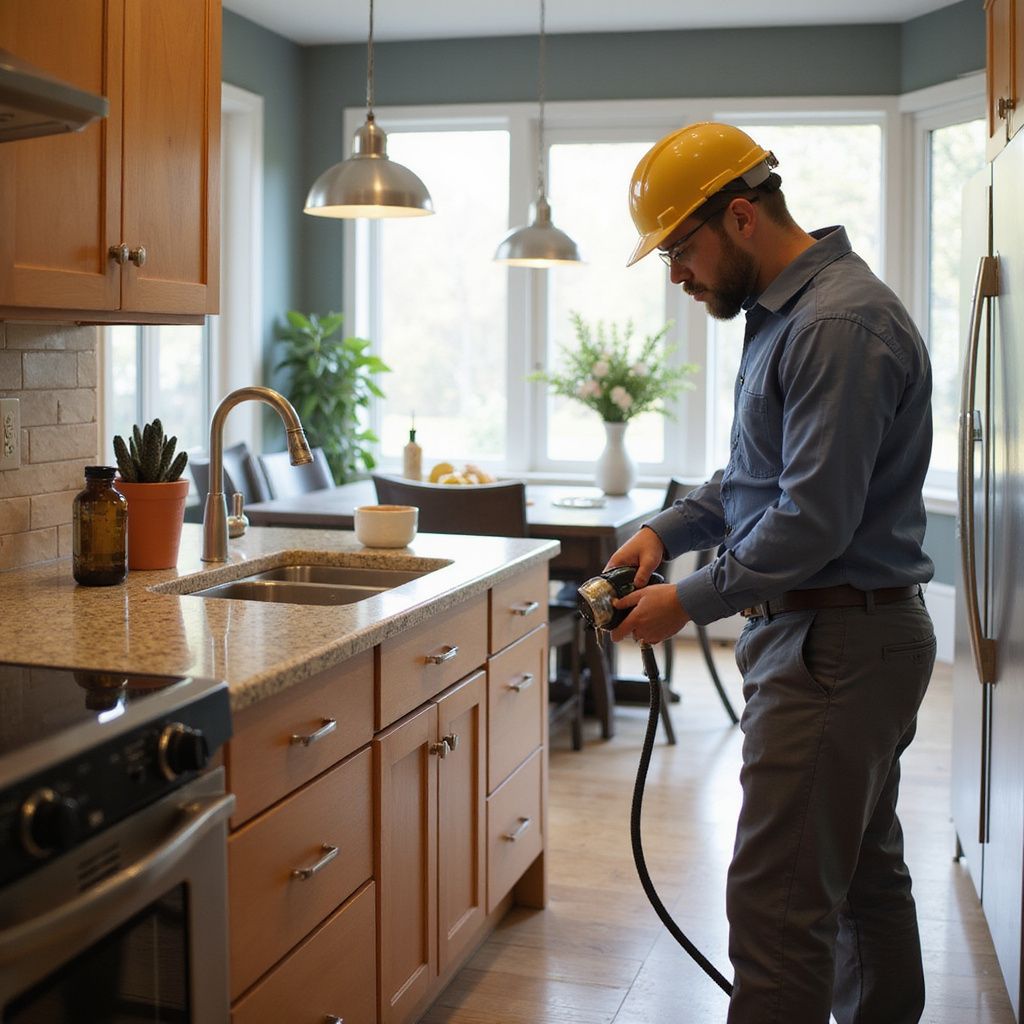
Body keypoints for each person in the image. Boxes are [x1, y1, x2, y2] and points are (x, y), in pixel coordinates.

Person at [604, 122, 936, 1024]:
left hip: (836, 643)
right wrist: (665, 531)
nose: (676, 274)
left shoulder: (835, 324)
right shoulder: (794, 317)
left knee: (778, 912)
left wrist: (690, 602)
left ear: (741, 216)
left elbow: (812, 522)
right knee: (861, 881)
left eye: (680, 248)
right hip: (840, 638)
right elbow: (759, 481)